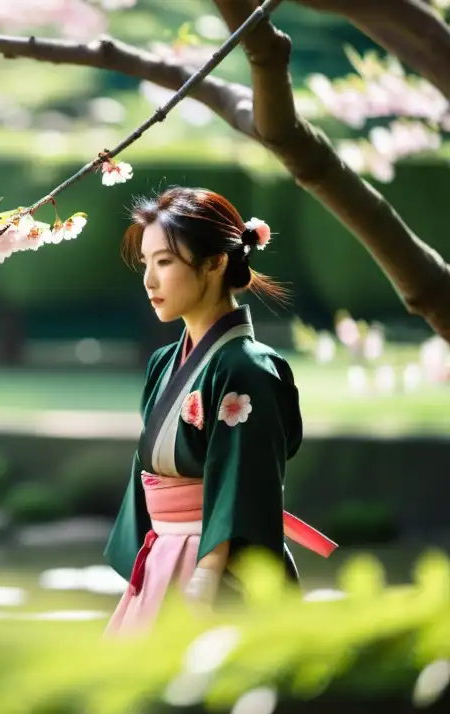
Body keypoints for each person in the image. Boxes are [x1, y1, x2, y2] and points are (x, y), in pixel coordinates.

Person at [103, 186, 337, 636]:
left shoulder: (247, 369)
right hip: (164, 554)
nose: (150, 281)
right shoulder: (162, 364)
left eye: (165, 262)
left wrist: (207, 575)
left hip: (218, 567)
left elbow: (245, 481)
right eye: (146, 264)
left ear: (215, 262)